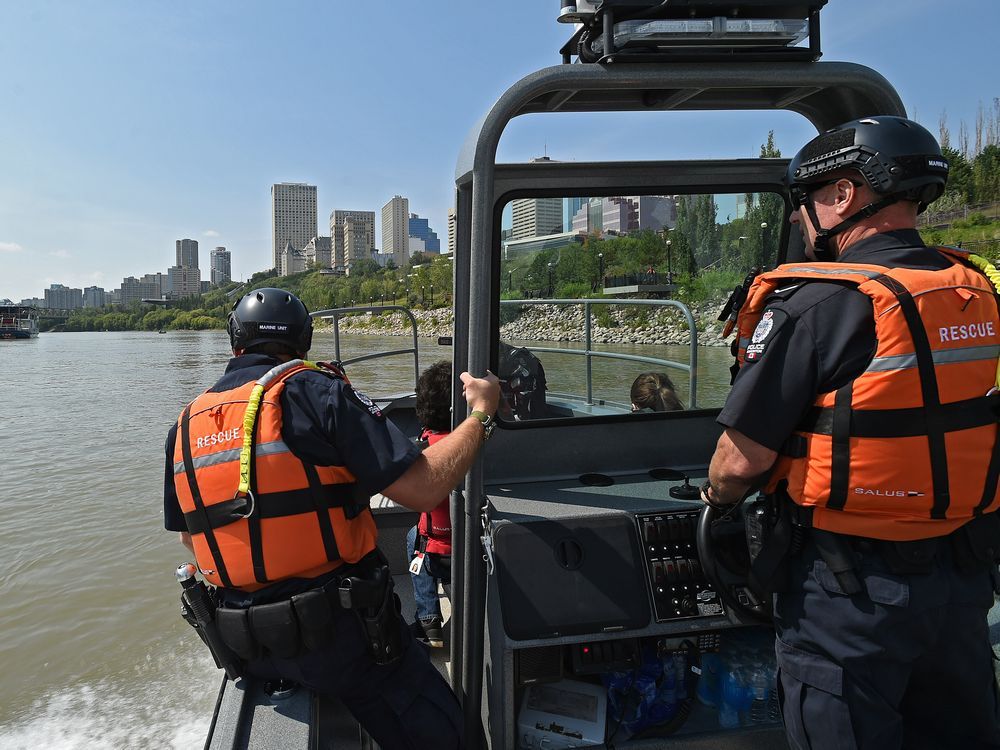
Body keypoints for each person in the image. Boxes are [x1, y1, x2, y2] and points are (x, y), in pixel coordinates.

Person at [702, 117, 1000, 749]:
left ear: (841, 196)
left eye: (806, 201)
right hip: (963, 582)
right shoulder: (978, 290)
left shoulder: (820, 304)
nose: (801, 220)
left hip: (848, 596)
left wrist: (717, 501)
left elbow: (739, 461)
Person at [162, 288, 499, 750]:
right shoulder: (316, 391)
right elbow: (423, 489)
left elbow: (190, 541)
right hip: (340, 642)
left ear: (234, 342)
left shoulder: (183, 426)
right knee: (450, 734)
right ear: (304, 341)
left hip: (249, 645)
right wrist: (482, 413)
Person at [405, 360, 454, 648]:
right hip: (477, 551)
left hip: (438, 555)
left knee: (415, 538)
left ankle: (428, 619)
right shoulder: (477, 443)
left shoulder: (422, 451)